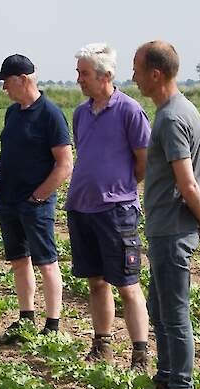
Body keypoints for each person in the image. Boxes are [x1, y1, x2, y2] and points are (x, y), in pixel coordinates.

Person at [130, 41, 200, 389]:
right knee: (160, 306)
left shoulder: (171, 117)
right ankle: (166, 382)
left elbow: (187, 182)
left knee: (173, 312)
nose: (134, 76)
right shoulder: (179, 109)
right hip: (167, 227)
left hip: (173, 230)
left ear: (156, 74)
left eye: (138, 69)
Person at [67, 43, 150, 369]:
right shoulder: (80, 113)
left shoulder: (129, 111)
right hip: (82, 208)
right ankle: (102, 345)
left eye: (84, 73)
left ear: (106, 75)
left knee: (128, 285)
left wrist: (121, 188)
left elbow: (143, 161)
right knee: (96, 282)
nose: (79, 79)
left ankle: (140, 354)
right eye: (79, 73)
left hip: (116, 211)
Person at [0, 54, 73, 344]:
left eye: (6, 82)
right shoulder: (13, 113)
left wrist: (39, 197)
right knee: (19, 261)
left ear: (23, 80)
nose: (4, 89)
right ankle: (26, 320)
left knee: (46, 261)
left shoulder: (50, 114)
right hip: (9, 201)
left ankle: (52, 325)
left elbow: (65, 164)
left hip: (36, 204)